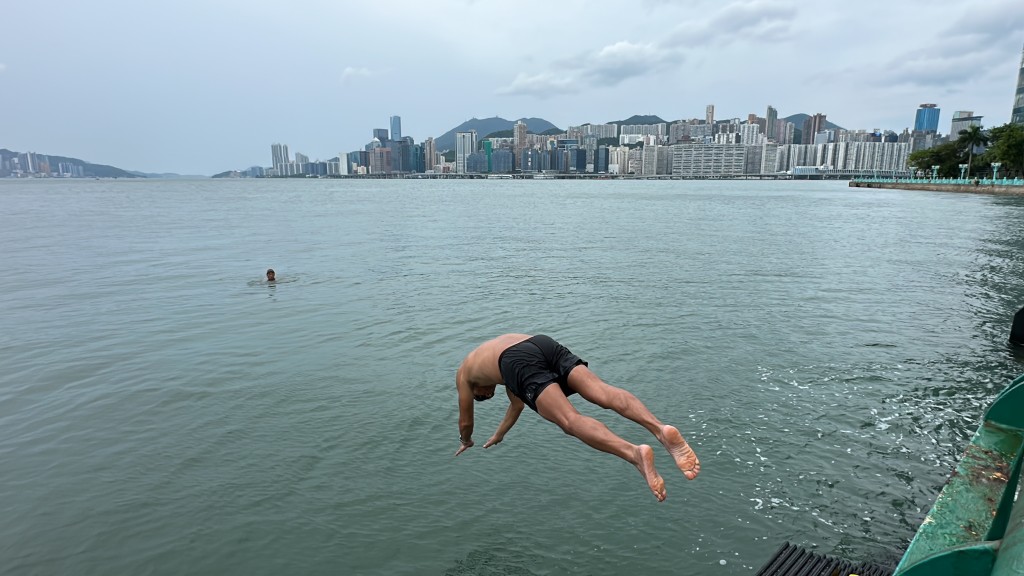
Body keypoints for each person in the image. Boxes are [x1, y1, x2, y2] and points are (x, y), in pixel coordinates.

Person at [454, 333, 700, 502]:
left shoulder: (464, 373)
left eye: (483, 396)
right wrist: (499, 434)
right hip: (541, 343)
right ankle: (660, 429)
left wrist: (466, 440)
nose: (488, 394)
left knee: (570, 420)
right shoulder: (494, 360)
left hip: (516, 360)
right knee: (602, 391)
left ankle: (634, 453)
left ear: (475, 389)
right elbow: (516, 406)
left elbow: (466, 422)